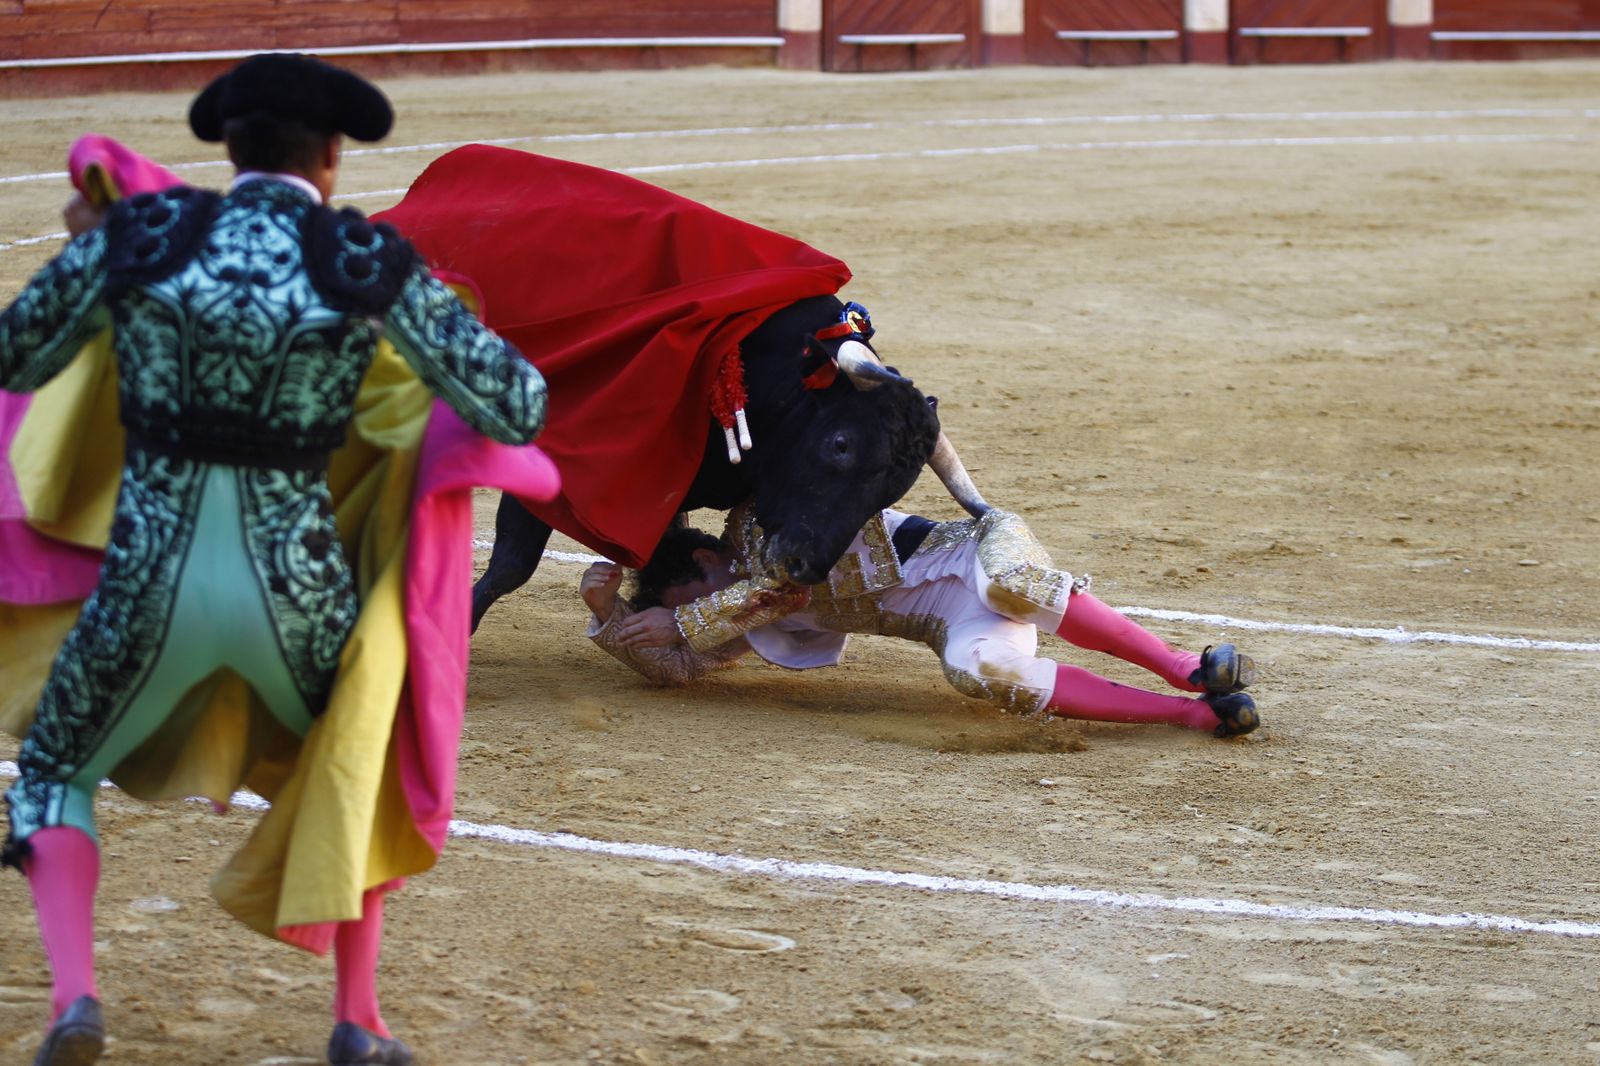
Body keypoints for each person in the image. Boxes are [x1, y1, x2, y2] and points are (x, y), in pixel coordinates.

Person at [0, 55, 547, 1066]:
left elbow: (15, 357)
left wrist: (92, 258)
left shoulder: (142, 235)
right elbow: (514, 403)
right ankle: (358, 1018)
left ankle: (74, 997)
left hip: (145, 586)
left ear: (228, 148)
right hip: (296, 595)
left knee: (51, 770)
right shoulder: (365, 261)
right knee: (361, 762)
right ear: (334, 156)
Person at [582, 504, 1261, 737]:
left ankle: (1186, 667)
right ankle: (1191, 715)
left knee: (1016, 586)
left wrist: (686, 621)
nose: (701, 618)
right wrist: (607, 616)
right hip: (949, 620)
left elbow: (785, 587)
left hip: (972, 558)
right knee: (983, 672)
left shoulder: (760, 524)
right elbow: (679, 668)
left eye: (695, 598)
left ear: (706, 558)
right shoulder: (732, 611)